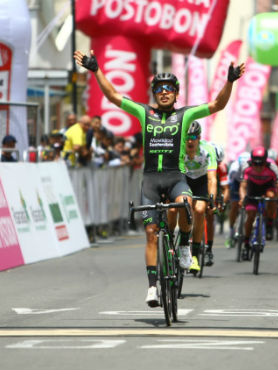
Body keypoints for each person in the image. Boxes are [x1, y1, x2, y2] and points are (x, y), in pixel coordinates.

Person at [74, 49, 245, 307]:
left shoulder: (185, 115)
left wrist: (229, 81)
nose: (164, 92)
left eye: (169, 89)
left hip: (176, 177)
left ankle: (185, 245)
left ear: (176, 94)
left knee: (187, 204)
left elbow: (217, 105)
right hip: (151, 181)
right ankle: (153, 287)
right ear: (155, 93)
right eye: (160, 88)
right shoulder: (145, 113)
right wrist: (96, 69)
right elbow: (112, 96)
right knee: (152, 232)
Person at [167, 121, 218, 272]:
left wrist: (212, 199)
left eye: (194, 137)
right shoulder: (177, 149)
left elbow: (212, 179)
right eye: (187, 137)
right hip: (182, 180)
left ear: (199, 137)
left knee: (200, 210)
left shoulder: (207, 150)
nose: (190, 140)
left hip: (200, 181)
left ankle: (194, 254)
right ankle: (168, 241)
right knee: (172, 209)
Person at [239, 147, 278, 260]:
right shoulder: (246, 166)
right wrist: (242, 198)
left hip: (267, 187)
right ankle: (246, 243)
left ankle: (269, 223)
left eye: (261, 164)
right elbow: (243, 186)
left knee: (272, 197)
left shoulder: (273, 167)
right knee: (250, 215)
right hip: (253, 187)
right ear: (251, 161)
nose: (258, 167)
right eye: (255, 164)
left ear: (266, 161)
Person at [205, 142, 229, 264]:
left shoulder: (222, 168)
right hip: (200, 187)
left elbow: (225, 189)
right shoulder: (203, 160)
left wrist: (221, 203)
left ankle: (209, 249)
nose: (216, 165)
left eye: (217, 163)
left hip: (214, 190)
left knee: (210, 217)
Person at [225, 151, 250, 248]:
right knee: (234, 205)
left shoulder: (252, 168)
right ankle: (231, 231)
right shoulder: (234, 168)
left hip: (248, 183)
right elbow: (229, 184)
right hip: (236, 183)